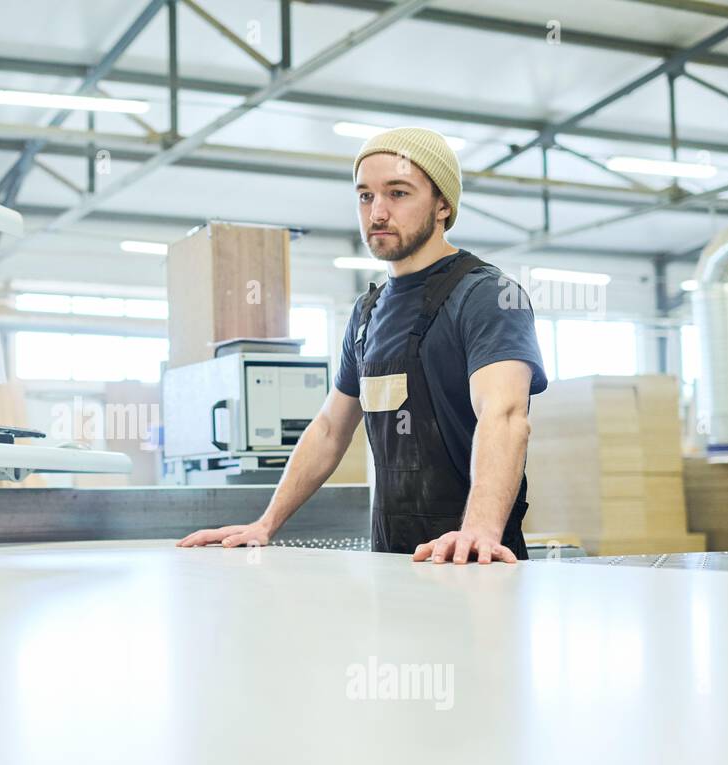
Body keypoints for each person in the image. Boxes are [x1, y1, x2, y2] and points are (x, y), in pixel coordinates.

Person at [177, 127, 548, 564]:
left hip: (475, 562)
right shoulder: (367, 313)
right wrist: (266, 523)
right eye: (366, 196)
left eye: (398, 193)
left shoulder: (487, 296)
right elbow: (331, 429)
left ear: (443, 205)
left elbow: (504, 416)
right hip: (391, 563)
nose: (378, 213)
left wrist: (478, 532)